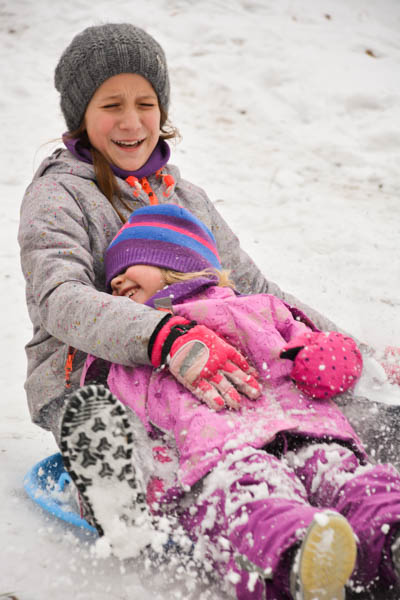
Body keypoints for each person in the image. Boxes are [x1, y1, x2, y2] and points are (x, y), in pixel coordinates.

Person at [17, 21, 399, 599]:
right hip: (93, 371)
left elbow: (255, 289)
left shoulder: (184, 197)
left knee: (326, 411)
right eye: (110, 104)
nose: (130, 121)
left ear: (162, 109)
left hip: (214, 377)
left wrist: (361, 356)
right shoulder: (60, 193)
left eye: (145, 103)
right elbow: (58, 298)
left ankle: (378, 511)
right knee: (143, 436)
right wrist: (164, 338)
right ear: (81, 116)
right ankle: (116, 478)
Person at [63, 203, 400, 600]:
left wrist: (331, 359)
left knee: (349, 478)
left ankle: (391, 540)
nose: (115, 283)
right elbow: (129, 416)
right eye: (112, 280)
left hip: (310, 430)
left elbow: (311, 349)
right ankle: (300, 564)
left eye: (127, 268)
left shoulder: (263, 307)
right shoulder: (142, 347)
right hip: (222, 457)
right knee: (251, 498)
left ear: (176, 261)